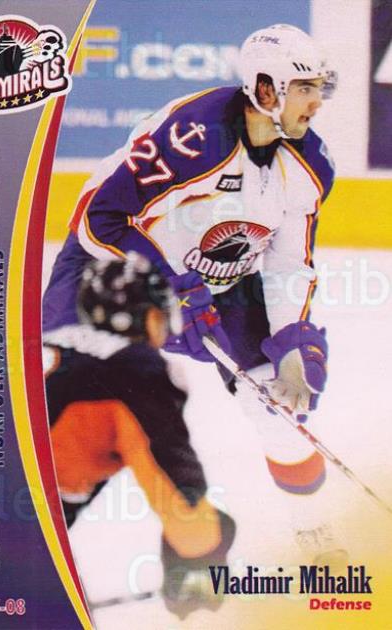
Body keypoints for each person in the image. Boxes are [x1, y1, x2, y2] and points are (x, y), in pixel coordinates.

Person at [43, 23, 345, 564]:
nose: (316, 102)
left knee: (276, 405)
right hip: (111, 274)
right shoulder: (192, 136)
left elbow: (288, 262)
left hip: (222, 285)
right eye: (305, 88)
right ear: (266, 90)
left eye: (319, 88)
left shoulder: (311, 166)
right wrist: (170, 281)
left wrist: (291, 345)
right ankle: (32, 537)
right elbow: (99, 218)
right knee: (75, 405)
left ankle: (314, 534)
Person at [43, 255, 236, 617]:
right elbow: (174, 490)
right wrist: (201, 559)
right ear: (145, 318)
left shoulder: (47, 345)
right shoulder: (134, 370)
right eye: (160, 316)